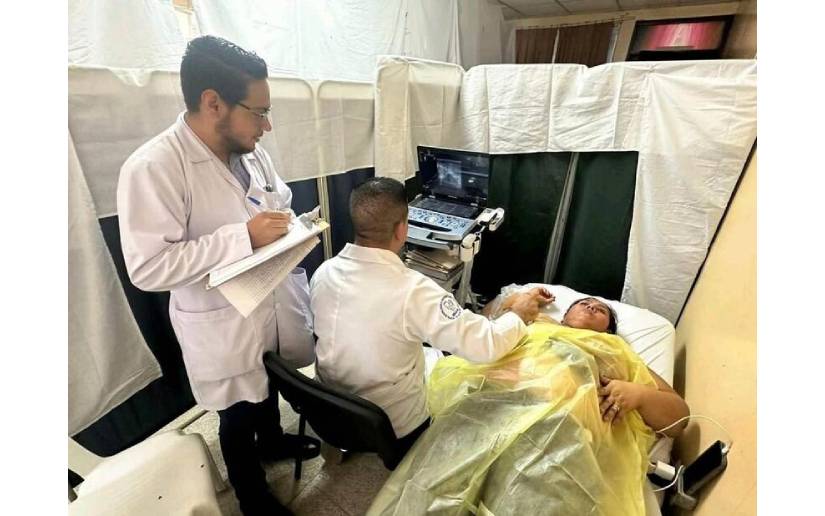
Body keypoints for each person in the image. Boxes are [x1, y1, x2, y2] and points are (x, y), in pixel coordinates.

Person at [117, 35, 318, 516]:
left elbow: (279, 199)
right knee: (237, 411)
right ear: (213, 103)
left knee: (269, 381)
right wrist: (241, 237)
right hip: (220, 321)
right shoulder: (154, 167)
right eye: (259, 112)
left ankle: (272, 441)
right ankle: (251, 495)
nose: (267, 126)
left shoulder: (251, 151)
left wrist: (293, 226)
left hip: (269, 299)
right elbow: (148, 266)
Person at [369, 290, 690, 516]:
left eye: (600, 309)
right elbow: (486, 329)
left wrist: (638, 394)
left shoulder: (617, 351)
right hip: (492, 405)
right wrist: (521, 301)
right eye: (583, 303)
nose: (591, 306)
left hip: (561, 427)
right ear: (565, 315)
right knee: (437, 484)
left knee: (532, 494)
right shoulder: (535, 324)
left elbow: (679, 418)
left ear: (609, 328)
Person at [309, 177, 552, 455]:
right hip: (390, 425)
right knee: (456, 371)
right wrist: (518, 314)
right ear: (402, 229)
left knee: (426, 354)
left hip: (327, 409)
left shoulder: (323, 272)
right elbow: (486, 345)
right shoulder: (415, 291)